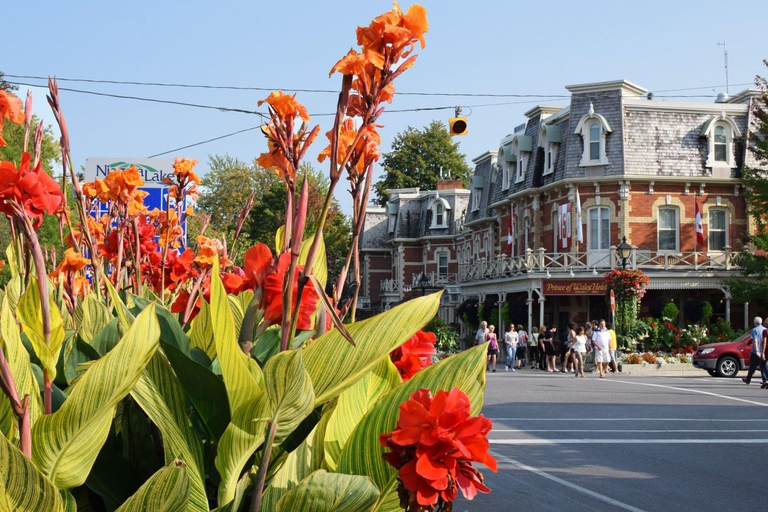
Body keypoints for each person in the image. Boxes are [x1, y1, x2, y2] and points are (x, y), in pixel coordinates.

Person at [742, 316, 766, 385]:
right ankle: (765, 379)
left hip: (756, 351)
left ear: (755, 323)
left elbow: (755, 341)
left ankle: (748, 379)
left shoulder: (754, 330)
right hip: (764, 350)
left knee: (753, 366)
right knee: (763, 366)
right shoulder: (765, 329)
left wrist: (756, 351)